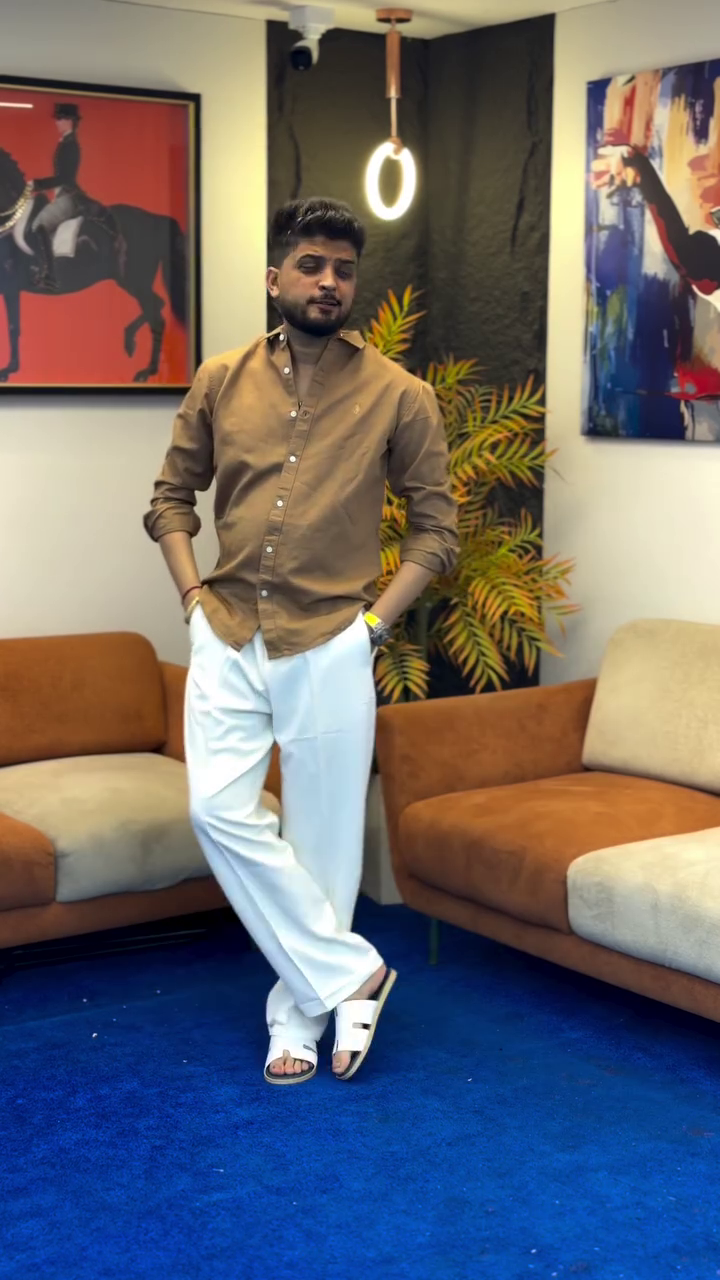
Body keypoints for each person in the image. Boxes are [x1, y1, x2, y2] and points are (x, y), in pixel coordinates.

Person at [143, 197, 458, 1085]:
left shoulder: (400, 395)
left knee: (324, 843)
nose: (329, 283)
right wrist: (192, 597)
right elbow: (170, 499)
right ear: (274, 276)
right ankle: (352, 973)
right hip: (227, 630)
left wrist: (373, 628)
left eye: (344, 271)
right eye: (312, 266)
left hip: (330, 639)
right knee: (216, 812)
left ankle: (296, 1019)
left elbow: (437, 532)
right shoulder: (220, 380)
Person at [31, 102, 122, 291]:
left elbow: (65, 177)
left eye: (61, 119)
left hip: (68, 196)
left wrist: (38, 184)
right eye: (57, 119)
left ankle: (50, 275)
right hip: (64, 193)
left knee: (39, 224)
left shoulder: (70, 145)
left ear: (71, 121)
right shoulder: (65, 142)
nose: (57, 122)